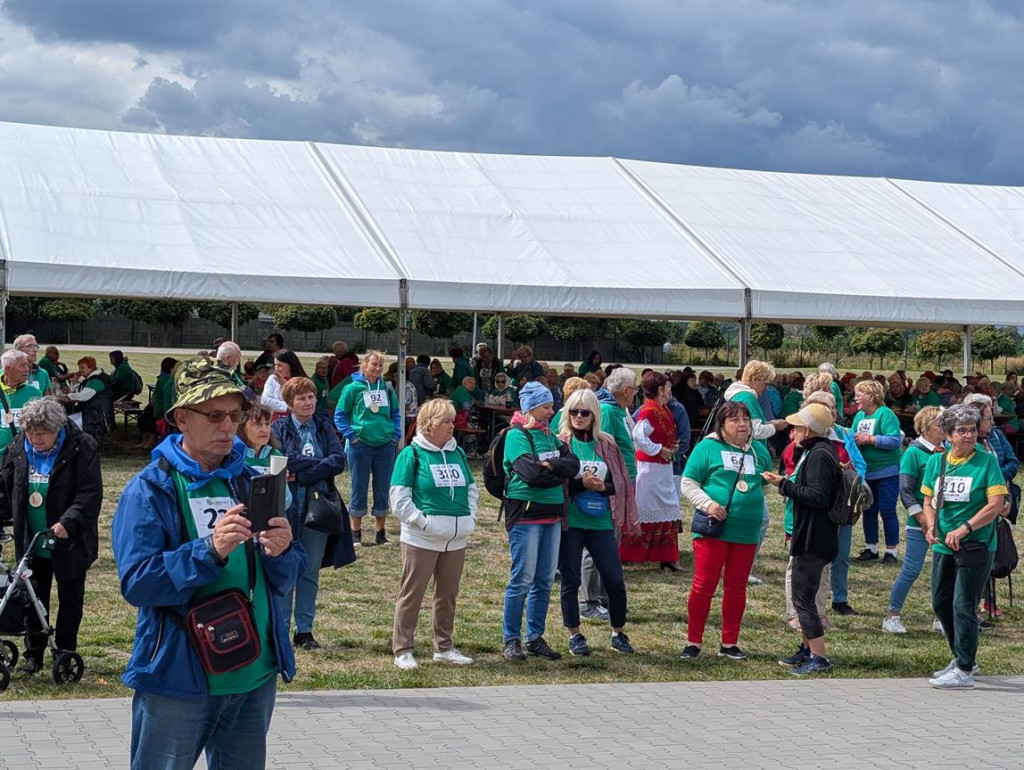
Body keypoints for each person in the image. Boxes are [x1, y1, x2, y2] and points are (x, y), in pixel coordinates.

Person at [111, 356, 305, 769]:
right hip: (180, 677)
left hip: (254, 673)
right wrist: (209, 550)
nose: (227, 427)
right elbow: (139, 583)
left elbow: (287, 576)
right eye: (214, 415)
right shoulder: (150, 489)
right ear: (182, 418)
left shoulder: (249, 478)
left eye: (234, 416)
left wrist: (284, 550)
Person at [0, 397, 102, 674]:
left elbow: (90, 494)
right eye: (30, 433)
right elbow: (5, 490)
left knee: (70, 601)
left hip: (68, 541)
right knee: (33, 598)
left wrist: (68, 522)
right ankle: (33, 655)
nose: (35, 438)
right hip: (32, 540)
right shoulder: (18, 448)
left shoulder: (82, 447)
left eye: (41, 433)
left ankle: (66, 652)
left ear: (57, 428)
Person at [921, 404, 1006, 689]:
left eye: (972, 430)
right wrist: (931, 525)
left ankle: (965, 669)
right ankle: (961, 655)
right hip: (944, 545)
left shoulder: (987, 462)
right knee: (940, 602)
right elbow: (928, 501)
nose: (969, 436)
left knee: (963, 605)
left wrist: (965, 527)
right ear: (947, 435)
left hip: (976, 544)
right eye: (961, 431)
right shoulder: (937, 462)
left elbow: (995, 505)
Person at [390, 399, 478, 670]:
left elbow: (471, 489)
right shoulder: (412, 454)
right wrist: (424, 523)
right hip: (421, 538)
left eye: (452, 421)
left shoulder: (458, 453)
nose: (453, 426)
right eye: (446, 421)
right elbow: (399, 499)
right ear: (429, 425)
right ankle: (403, 649)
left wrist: (469, 516)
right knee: (412, 594)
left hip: (456, 538)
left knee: (448, 595)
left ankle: (444, 647)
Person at [680, 401, 771, 660]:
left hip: (747, 531)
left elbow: (762, 487)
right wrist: (708, 503)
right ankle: (693, 641)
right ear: (721, 425)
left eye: (746, 419)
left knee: (737, 587)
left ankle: (729, 642)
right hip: (714, 529)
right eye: (735, 420)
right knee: (703, 585)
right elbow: (688, 483)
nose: (742, 424)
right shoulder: (708, 447)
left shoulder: (759, 453)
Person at [501, 381, 580, 662]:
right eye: (546, 406)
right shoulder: (516, 435)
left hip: (552, 515)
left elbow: (573, 465)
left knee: (544, 580)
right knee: (522, 579)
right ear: (532, 407)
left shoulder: (550, 436)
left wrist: (552, 466)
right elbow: (530, 474)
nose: (552, 411)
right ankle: (511, 639)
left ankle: (534, 636)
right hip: (526, 515)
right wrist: (555, 469)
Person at [555, 389, 638, 656]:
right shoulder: (561, 443)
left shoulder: (607, 444)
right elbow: (555, 483)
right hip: (571, 522)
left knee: (614, 580)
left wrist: (603, 486)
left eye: (585, 412)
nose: (579, 417)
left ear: (594, 415)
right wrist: (580, 484)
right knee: (570, 580)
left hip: (601, 522)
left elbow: (621, 484)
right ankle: (575, 635)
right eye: (574, 411)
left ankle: (618, 633)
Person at [764, 403, 842, 675]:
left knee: (803, 598)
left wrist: (783, 485)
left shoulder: (819, 455)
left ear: (807, 430)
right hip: (812, 533)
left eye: (797, 427)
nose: (793, 431)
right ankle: (808, 648)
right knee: (802, 596)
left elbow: (818, 496)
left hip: (814, 536)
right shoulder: (817, 451)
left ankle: (819, 657)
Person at [272, 377, 347, 651]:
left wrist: (304, 475)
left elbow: (338, 461)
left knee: (310, 570)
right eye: (302, 398)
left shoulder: (324, 426)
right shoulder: (279, 427)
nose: (308, 402)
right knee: (286, 568)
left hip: (319, 509)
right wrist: (319, 464)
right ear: (290, 403)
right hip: (288, 508)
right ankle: (280, 628)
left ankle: (304, 630)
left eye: (311, 397)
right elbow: (284, 459)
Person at [883, 406, 944, 633]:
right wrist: (921, 517)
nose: (944, 429)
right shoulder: (913, 453)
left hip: (943, 520)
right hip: (920, 521)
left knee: (942, 571)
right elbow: (906, 490)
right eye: (940, 425)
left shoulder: (945, 450)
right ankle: (892, 615)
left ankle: (941, 618)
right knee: (911, 569)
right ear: (926, 428)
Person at [335, 350, 401, 547]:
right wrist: (352, 437)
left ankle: (380, 533)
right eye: (374, 364)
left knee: (382, 487)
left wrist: (395, 436)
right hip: (360, 445)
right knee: (359, 486)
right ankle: (356, 533)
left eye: (380, 365)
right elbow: (340, 415)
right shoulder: (352, 388)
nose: (377, 369)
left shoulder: (388, 388)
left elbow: (396, 413)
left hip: (384, 445)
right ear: (365, 365)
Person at [620, 372, 680, 568]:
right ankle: (636, 552)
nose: (670, 391)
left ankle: (665, 556)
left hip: (662, 467)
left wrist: (670, 446)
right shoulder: (649, 411)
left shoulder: (662, 409)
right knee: (650, 507)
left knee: (666, 507)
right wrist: (657, 449)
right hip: (650, 469)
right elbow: (638, 437)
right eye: (668, 388)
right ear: (660, 390)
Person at [850, 379, 903, 563]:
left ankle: (891, 551)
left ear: (872, 397)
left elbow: (895, 441)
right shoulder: (859, 417)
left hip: (888, 473)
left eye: (860, 394)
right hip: (867, 473)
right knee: (868, 511)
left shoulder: (885, 414)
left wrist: (870, 439)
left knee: (888, 510)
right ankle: (871, 548)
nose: (855, 397)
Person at [1, 349, 45, 453]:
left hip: (23, 456)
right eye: (22, 366)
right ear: (8, 370)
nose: (27, 369)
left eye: (27, 365)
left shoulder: (34, 393)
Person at [137, 356, 179, 450]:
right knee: (153, 424)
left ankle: (146, 442)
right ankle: (150, 442)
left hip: (157, 407)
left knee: (149, 420)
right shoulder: (169, 382)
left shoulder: (161, 379)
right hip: (162, 409)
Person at [261, 350, 308, 417]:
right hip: (273, 420)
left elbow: (301, 402)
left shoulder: (302, 381)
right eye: (275, 365)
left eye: (280, 365)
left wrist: (286, 386)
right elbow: (265, 401)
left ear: (290, 365)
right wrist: (288, 407)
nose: (276, 368)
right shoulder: (272, 378)